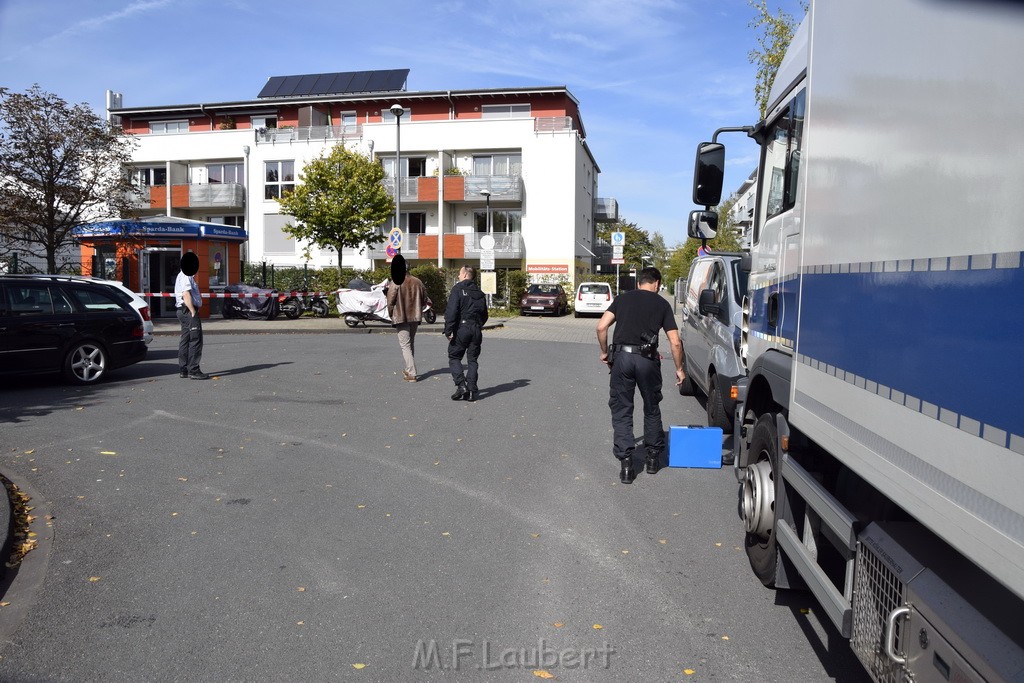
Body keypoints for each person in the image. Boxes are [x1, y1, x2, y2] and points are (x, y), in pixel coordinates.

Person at [596, 267, 684, 484]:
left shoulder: (622, 299)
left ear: (639, 283)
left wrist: (605, 352)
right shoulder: (662, 304)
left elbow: (601, 327)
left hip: (622, 360)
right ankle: (653, 459)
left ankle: (627, 464)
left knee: (622, 409)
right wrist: (679, 369)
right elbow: (675, 341)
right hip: (647, 360)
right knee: (651, 408)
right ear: (656, 283)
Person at [444, 265, 488, 402]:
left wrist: (448, 330)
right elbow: (485, 314)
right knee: (472, 360)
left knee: (454, 356)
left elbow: (451, 312)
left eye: (459, 273)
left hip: (462, 328)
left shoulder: (458, 289)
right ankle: (471, 389)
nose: (458, 276)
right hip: (476, 329)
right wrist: (478, 325)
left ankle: (461, 385)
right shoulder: (479, 292)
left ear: (464, 275)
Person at [386, 255, 430, 382]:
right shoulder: (418, 281)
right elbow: (425, 299)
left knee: (405, 345)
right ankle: (408, 368)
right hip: (415, 317)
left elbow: (390, 301)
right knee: (410, 343)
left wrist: (390, 314)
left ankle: (411, 373)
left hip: (401, 317)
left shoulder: (395, 282)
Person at [174, 251, 209, 380]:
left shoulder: (182, 275)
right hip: (188, 310)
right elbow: (186, 294)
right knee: (195, 339)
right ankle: (193, 370)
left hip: (182, 311)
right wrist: (193, 311)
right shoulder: (186, 275)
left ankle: (184, 369)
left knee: (185, 339)